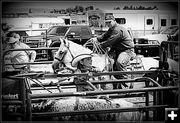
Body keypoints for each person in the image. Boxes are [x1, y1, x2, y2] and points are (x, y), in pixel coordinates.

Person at [92, 15, 136, 89]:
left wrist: (100, 45)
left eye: (109, 22)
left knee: (120, 62)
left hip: (127, 50)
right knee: (109, 63)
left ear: (114, 21)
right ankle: (115, 81)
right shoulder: (111, 29)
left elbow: (110, 41)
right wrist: (96, 39)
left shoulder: (118, 30)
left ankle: (125, 81)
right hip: (117, 51)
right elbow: (105, 36)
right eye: (106, 23)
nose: (108, 24)